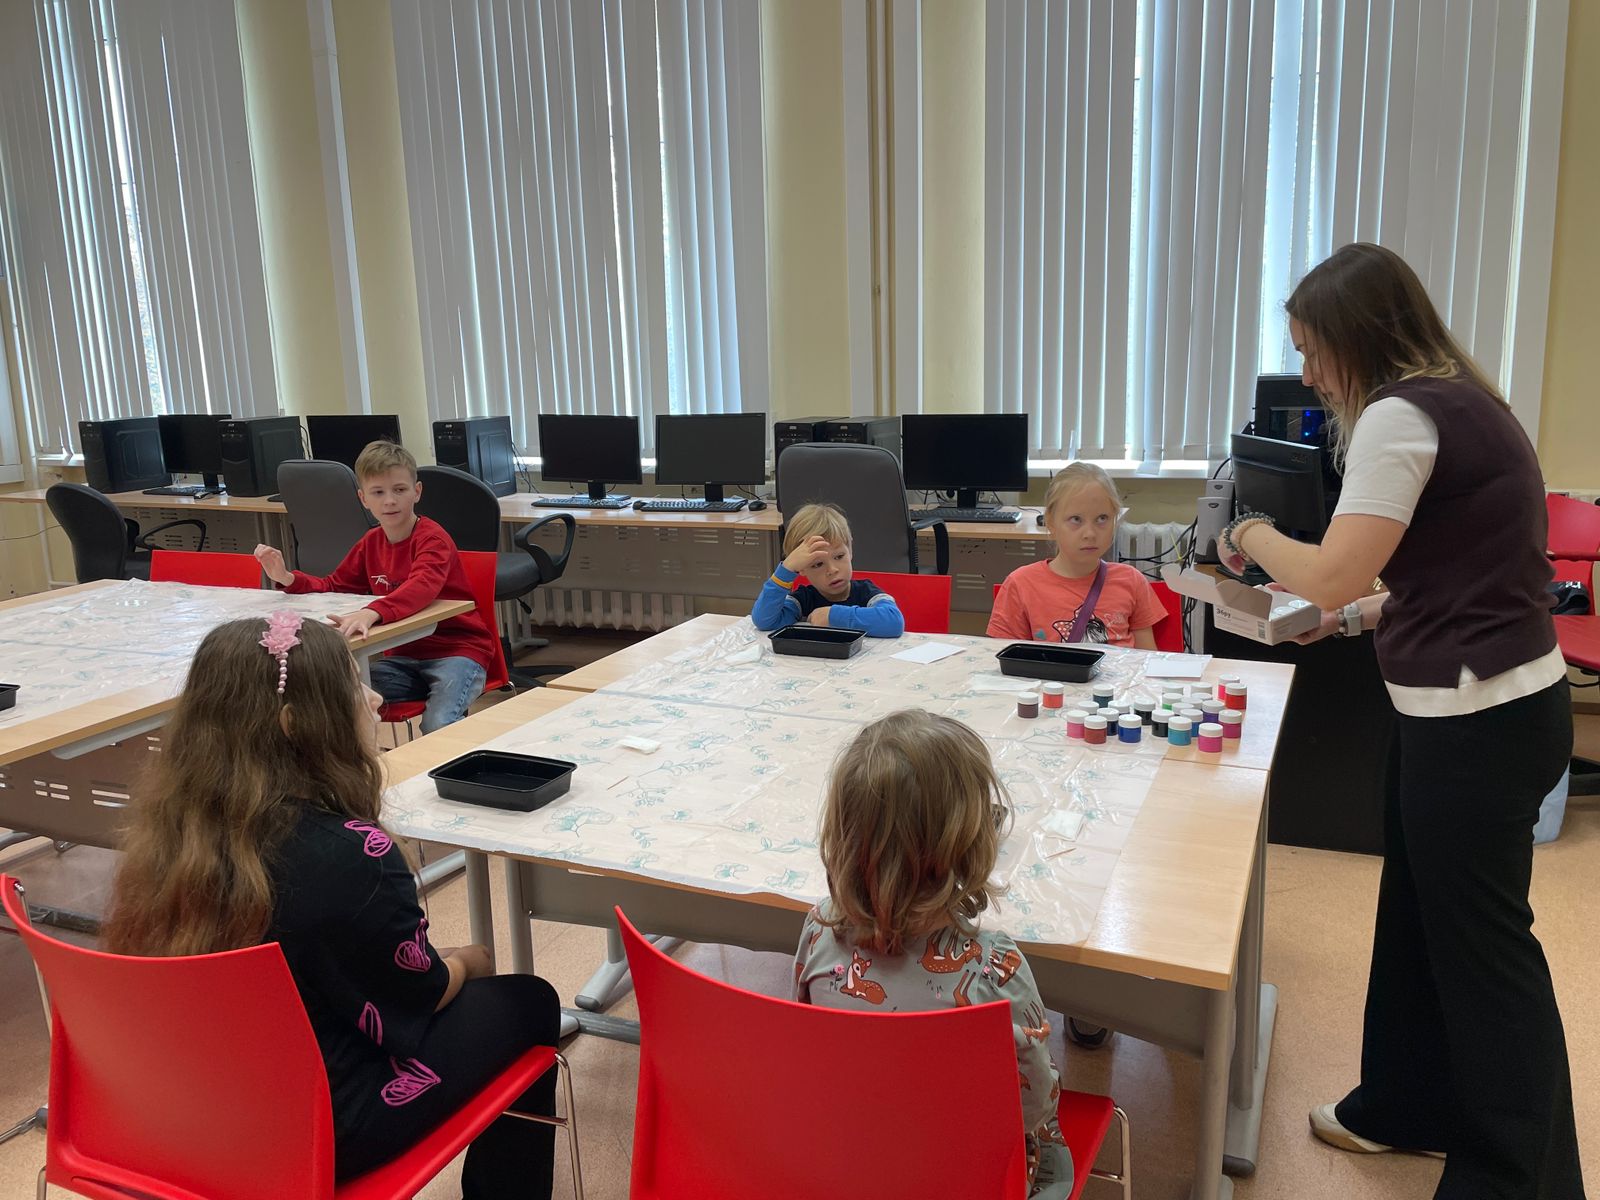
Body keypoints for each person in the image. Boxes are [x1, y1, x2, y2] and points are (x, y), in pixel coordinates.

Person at [1221, 243, 1582, 1200]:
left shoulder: (1399, 413)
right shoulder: (1462, 401)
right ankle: (1405, 1105)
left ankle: (1519, 1179)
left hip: (1479, 722)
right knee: (1419, 923)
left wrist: (1251, 534)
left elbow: (1335, 569)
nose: (1308, 373)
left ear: (1359, 338)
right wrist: (1350, 619)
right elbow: (1455, 574)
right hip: (1473, 709)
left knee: (1484, 955)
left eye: (1313, 350)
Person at [103, 615, 563, 1196]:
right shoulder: (349, 852)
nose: (375, 699)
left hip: (178, 1113)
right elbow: (416, 997)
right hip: (313, 1129)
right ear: (295, 725)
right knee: (529, 1001)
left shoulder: (168, 835)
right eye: (353, 687)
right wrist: (469, 961)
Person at [794, 709, 1072, 1198]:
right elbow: (1035, 1105)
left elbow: (809, 1039)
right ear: (968, 842)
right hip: (965, 1179)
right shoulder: (993, 967)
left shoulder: (819, 928)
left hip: (848, 1160)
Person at [253, 440, 497, 733]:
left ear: (417, 491)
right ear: (363, 499)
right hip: (403, 659)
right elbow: (334, 585)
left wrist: (372, 612)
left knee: (438, 723)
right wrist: (288, 578)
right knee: (334, 699)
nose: (390, 501)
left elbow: (422, 586)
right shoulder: (370, 543)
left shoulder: (433, 539)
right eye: (378, 492)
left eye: (399, 490)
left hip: (457, 653)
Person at [988, 462, 1164, 647]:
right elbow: (1005, 659)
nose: (1090, 533)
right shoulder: (1020, 585)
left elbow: (1146, 658)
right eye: (1076, 519)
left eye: (1102, 518)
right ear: (1051, 522)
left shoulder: (1132, 581)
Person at [751, 502, 905, 637]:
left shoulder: (866, 592)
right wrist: (786, 569)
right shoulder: (803, 599)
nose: (832, 570)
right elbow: (764, 621)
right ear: (801, 569)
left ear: (850, 551)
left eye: (839, 556)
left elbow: (894, 622)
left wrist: (832, 616)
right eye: (818, 564)